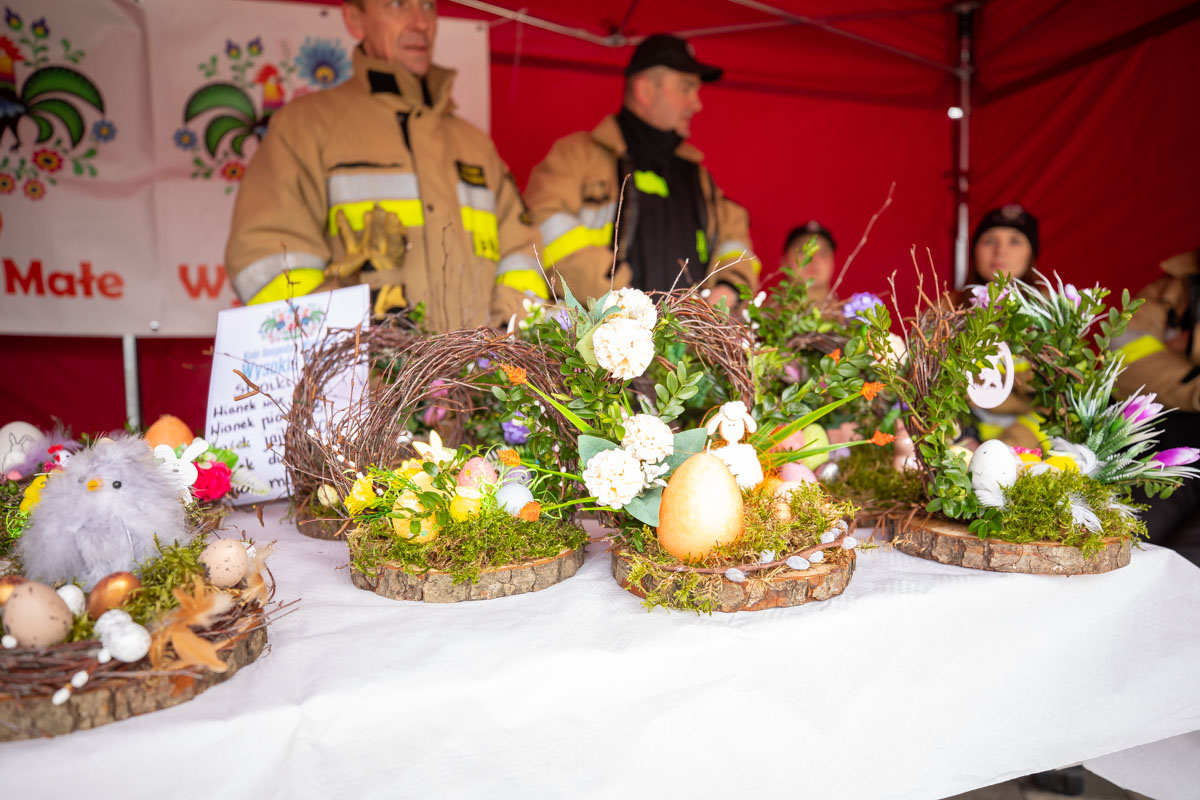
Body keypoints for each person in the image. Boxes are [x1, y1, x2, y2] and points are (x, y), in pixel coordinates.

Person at [224, 0, 545, 330]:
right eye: (398, 4)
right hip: (363, 380)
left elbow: (523, 255)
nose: (420, 22)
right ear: (355, 18)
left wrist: (498, 347)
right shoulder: (303, 128)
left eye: (428, 5)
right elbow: (264, 261)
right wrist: (354, 348)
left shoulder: (476, 145)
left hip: (478, 377)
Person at [524, 34, 760, 307]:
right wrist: (618, 303)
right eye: (686, 89)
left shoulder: (699, 176)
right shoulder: (576, 156)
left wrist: (728, 288)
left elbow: (734, 240)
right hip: (600, 342)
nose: (697, 104)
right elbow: (546, 224)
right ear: (645, 90)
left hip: (690, 344)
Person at [967, 203, 1038, 285]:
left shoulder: (1051, 298)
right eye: (990, 241)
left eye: (1014, 242)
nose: (1000, 251)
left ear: (1031, 253)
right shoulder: (949, 297)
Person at [780, 220, 836, 302]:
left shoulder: (852, 314)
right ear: (784, 261)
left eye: (823, 252)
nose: (813, 259)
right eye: (803, 251)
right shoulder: (759, 313)